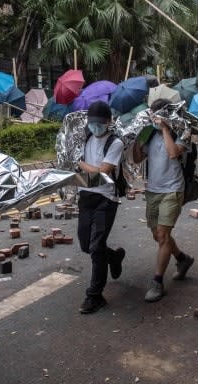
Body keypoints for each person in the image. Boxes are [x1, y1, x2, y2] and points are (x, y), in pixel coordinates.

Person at [132, 99, 194, 303]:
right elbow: (137, 158)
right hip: (153, 190)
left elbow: (173, 153)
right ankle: (182, 259)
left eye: (159, 115)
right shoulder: (149, 133)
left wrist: (165, 129)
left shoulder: (183, 131)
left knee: (163, 234)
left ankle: (157, 282)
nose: (155, 119)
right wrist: (137, 140)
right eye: (153, 115)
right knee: (157, 236)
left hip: (173, 189)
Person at [76, 101, 126, 314]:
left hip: (106, 199)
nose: (95, 127)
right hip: (86, 196)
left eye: (99, 123)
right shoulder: (84, 138)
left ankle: (95, 295)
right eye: (92, 123)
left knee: (96, 248)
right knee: (86, 245)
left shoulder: (115, 143)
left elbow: (102, 173)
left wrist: (79, 163)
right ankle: (113, 257)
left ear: (108, 122)